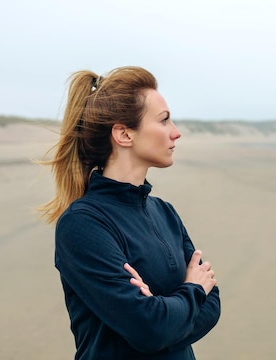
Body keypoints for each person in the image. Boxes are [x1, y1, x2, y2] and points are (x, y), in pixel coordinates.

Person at [39, 66, 221, 359]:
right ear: (124, 134)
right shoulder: (83, 224)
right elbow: (150, 328)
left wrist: (165, 311)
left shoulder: (164, 212)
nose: (176, 133)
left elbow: (212, 305)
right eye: (164, 121)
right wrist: (191, 292)